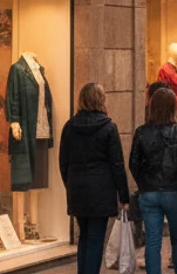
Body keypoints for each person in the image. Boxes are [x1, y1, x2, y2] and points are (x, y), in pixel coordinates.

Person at [60, 83, 130, 274]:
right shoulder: (108, 127)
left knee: (84, 236)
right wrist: (123, 197)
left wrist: (70, 184)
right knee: (96, 238)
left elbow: (63, 162)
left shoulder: (70, 127)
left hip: (77, 190)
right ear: (101, 100)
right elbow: (117, 165)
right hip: (100, 191)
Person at [130, 88, 177, 274]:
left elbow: (133, 163)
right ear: (173, 107)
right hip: (174, 192)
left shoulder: (141, 132)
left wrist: (143, 184)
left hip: (149, 193)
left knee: (152, 242)